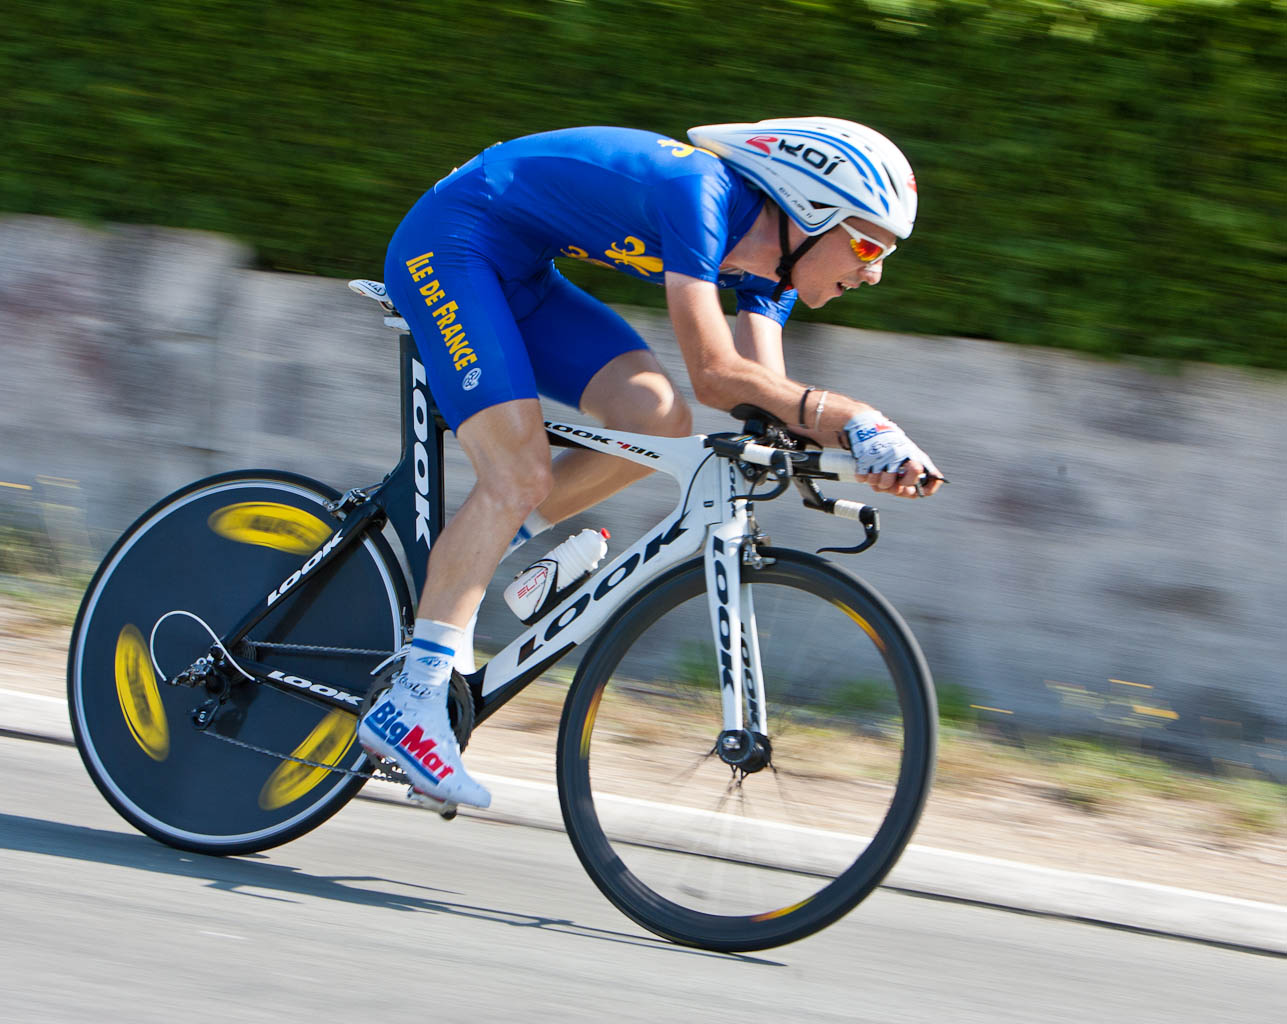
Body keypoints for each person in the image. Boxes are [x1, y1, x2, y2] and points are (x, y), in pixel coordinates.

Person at [356, 117, 944, 809]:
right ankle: (410, 700)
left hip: (519, 270)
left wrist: (862, 453)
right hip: (451, 245)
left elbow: (769, 404)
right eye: (869, 243)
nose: (873, 273)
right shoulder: (699, 196)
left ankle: (473, 565)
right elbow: (717, 375)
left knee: (655, 419)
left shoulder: (770, 269)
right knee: (518, 473)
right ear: (810, 208)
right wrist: (857, 420)